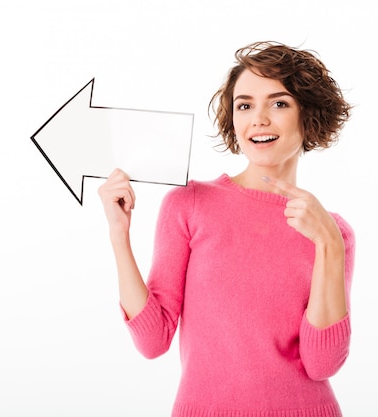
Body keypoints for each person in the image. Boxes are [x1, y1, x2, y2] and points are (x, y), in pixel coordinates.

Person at [98, 41, 355, 417]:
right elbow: (153, 341)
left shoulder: (333, 232)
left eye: (279, 103)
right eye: (245, 104)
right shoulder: (190, 204)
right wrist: (118, 236)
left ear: (308, 115)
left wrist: (328, 244)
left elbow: (322, 364)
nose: (259, 118)